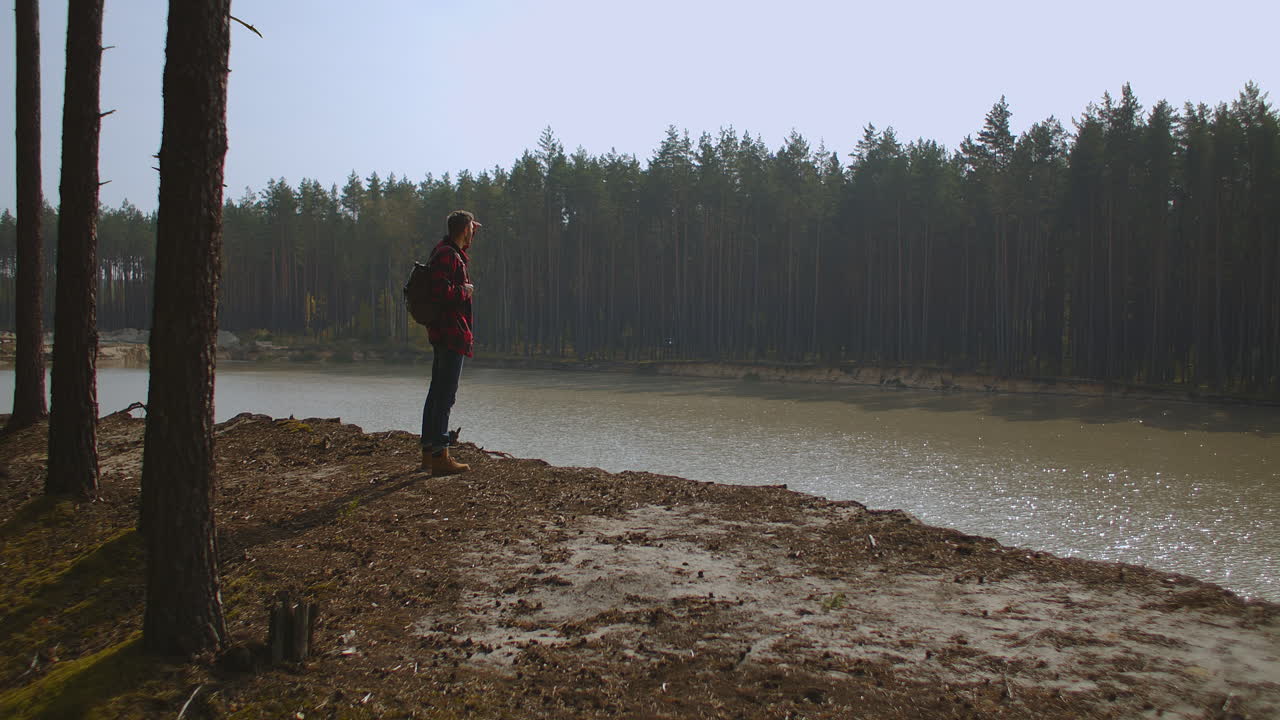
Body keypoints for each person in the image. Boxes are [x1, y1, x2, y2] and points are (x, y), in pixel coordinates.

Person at [420, 209, 479, 475]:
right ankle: (440, 456)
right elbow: (440, 291)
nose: (474, 232)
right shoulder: (447, 255)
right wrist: (464, 291)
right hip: (450, 333)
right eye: (472, 228)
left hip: (445, 332)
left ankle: (429, 453)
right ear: (465, 229)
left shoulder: (445, 251)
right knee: (444, 396)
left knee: (437, 393)